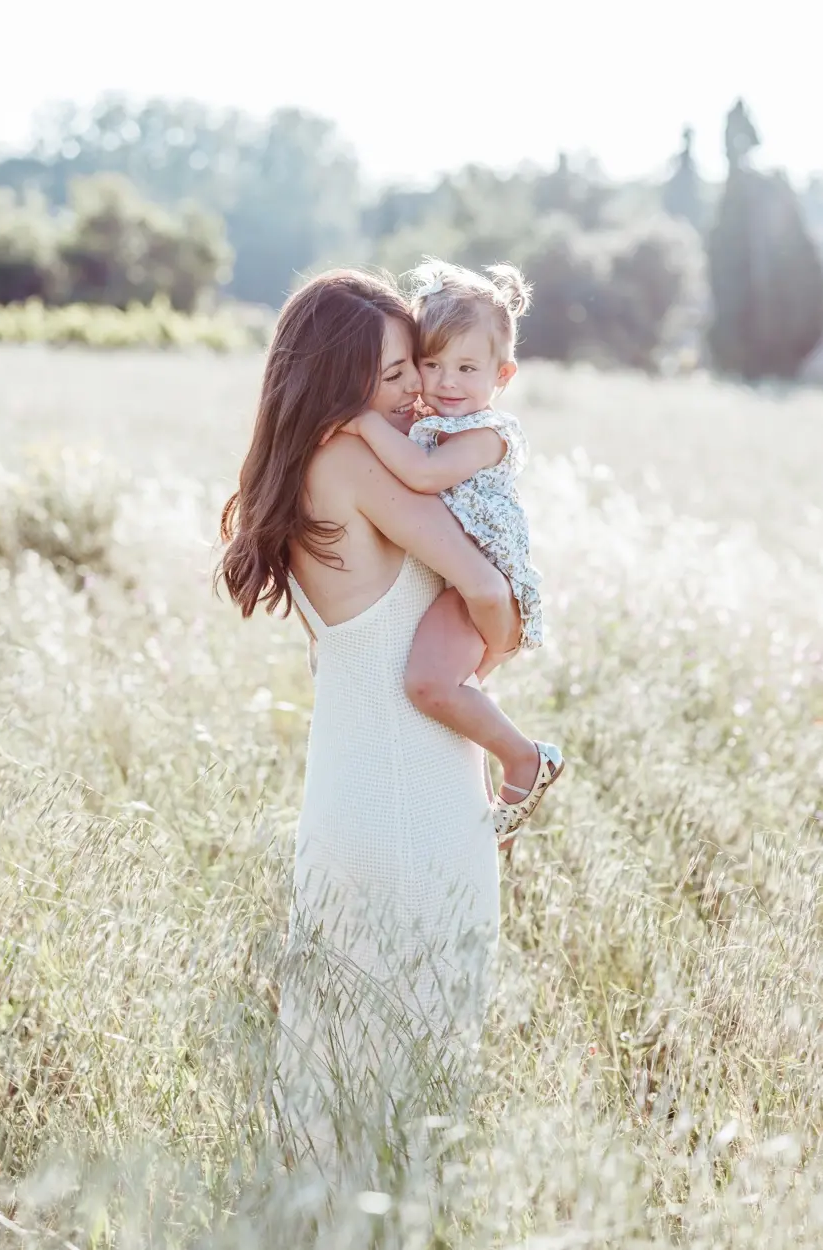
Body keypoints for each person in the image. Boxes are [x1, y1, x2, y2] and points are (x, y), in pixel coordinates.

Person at [217, 270, 521, 1187]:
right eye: (393, 373)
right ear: (341, 377)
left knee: (337, 1047)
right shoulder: (355, 461)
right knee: (424, 1045)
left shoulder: (304, 465)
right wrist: (492, 653)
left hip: (348, 789)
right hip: (414, 795)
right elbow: (490, 591)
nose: (414, 391)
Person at [326, 258, 564, 844]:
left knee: (429, 686)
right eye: (430, 365)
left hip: (490, 579)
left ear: (501, 375)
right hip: (465, 580)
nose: (446, 381)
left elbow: (426, 476)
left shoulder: (486, 433)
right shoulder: (435, 420)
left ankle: (526, 760)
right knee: (451, 700)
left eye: (466, 367)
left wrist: (362, 424)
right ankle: (482, 810)